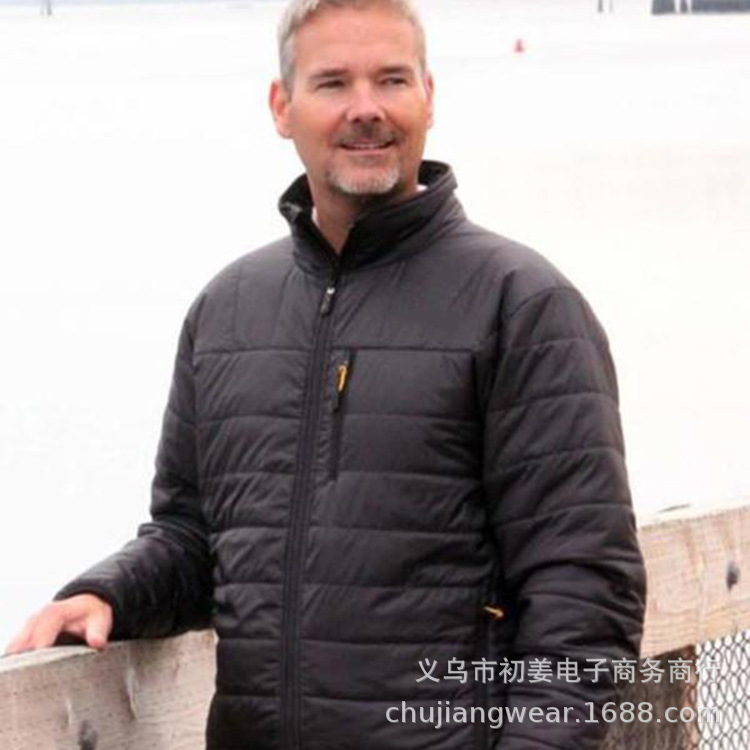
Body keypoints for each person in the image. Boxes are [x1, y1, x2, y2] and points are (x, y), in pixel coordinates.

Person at [4, 0, 647, 747]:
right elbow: (195, 540)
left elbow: (583, 594)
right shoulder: (228, 311)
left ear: (429, 97)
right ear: (283, 107)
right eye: (333, 82)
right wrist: (111, 594)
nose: (366, 108)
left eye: (392, 80)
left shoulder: (520, 305)